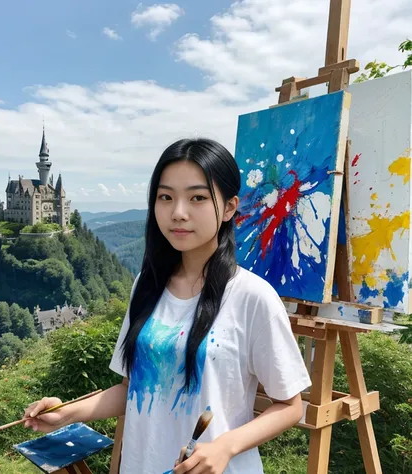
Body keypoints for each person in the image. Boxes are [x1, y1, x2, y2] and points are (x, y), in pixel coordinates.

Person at [24, 138, 311, 474]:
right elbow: (131, 391)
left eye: (198, 198)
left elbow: (291, 406)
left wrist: (225, 447)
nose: (178, 212)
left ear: (230, 207)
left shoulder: (252, 297)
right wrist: (66, 412)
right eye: (166, 197)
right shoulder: (146, 286)